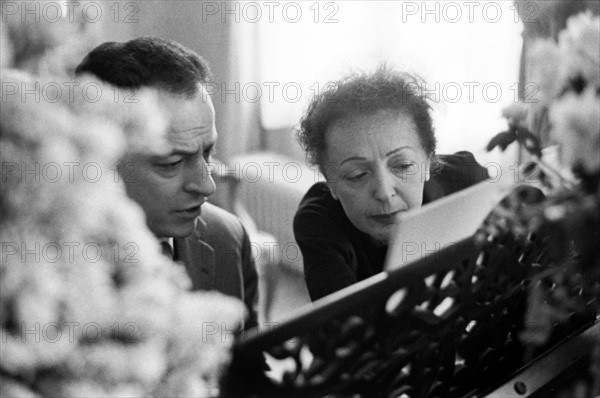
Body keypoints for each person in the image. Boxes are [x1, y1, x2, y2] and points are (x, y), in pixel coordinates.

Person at [75, 37, 259, 330]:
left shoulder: (228, 238)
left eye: (208, 152)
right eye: (171, 164)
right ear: (100, 161)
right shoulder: (49, 271)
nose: (207, 186)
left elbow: (245, 373)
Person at [294, 67, 489, 301]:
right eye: (357, 174)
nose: (384, 192)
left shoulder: (468, 180)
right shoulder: (319, 221)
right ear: (331, 183)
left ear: (428, 162)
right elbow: (344, 328)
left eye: (403, 166)